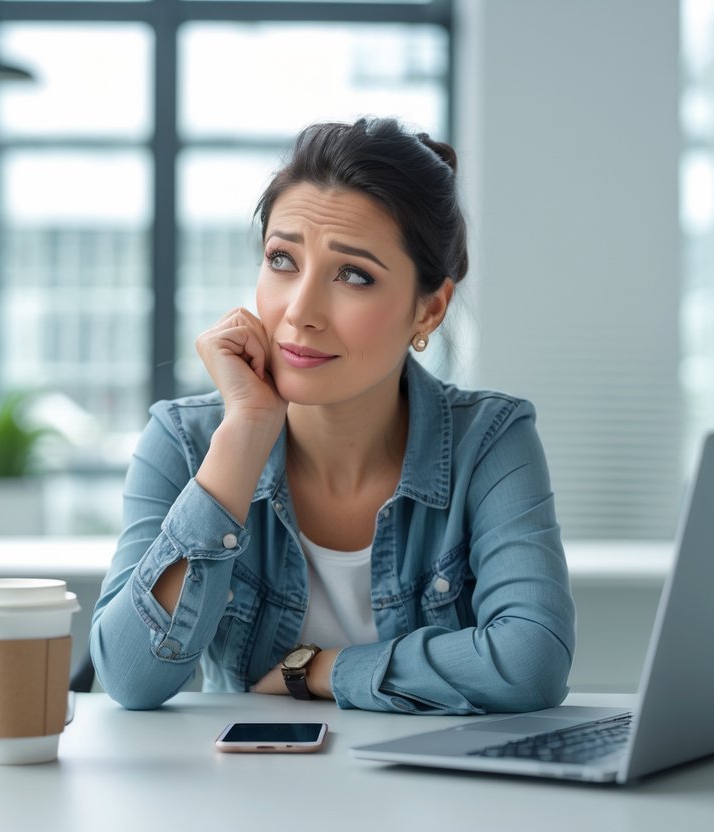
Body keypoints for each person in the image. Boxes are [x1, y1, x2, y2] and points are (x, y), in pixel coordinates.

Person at [90, 117, 575, 714]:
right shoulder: (186, 439)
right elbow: (130, 677)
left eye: (353, 275)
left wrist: (317, 670)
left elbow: (531, 662)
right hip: (239, 792)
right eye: (282, 259)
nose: (300, 311)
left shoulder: (489, 441)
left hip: (437, 801)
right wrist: (243, 436)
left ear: (429, 310)